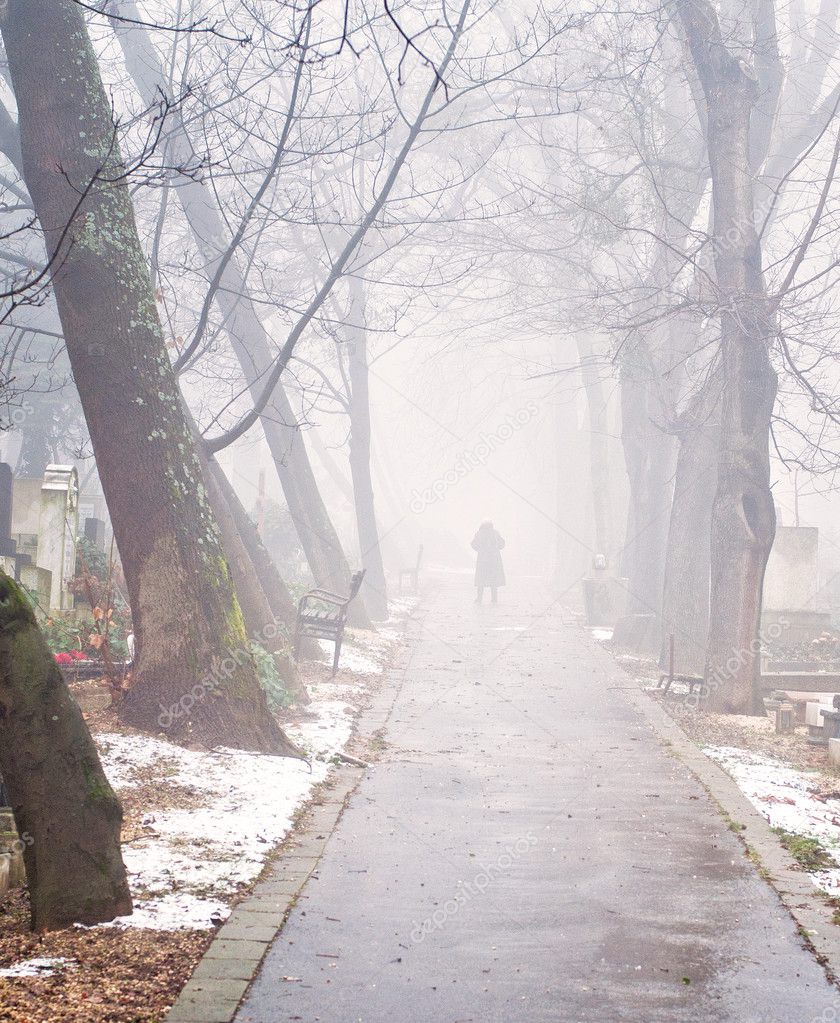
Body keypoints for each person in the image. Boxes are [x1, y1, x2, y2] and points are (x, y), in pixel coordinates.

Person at [471, 521, 506, 604]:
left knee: (481, 579)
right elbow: (502, 544)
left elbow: (473, 544)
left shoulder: (479, 533)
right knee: (493, 579)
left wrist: (480, 549)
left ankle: (479, 598)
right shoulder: (495, 533)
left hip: (482, 559)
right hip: (494, 559)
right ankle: (494, 599)